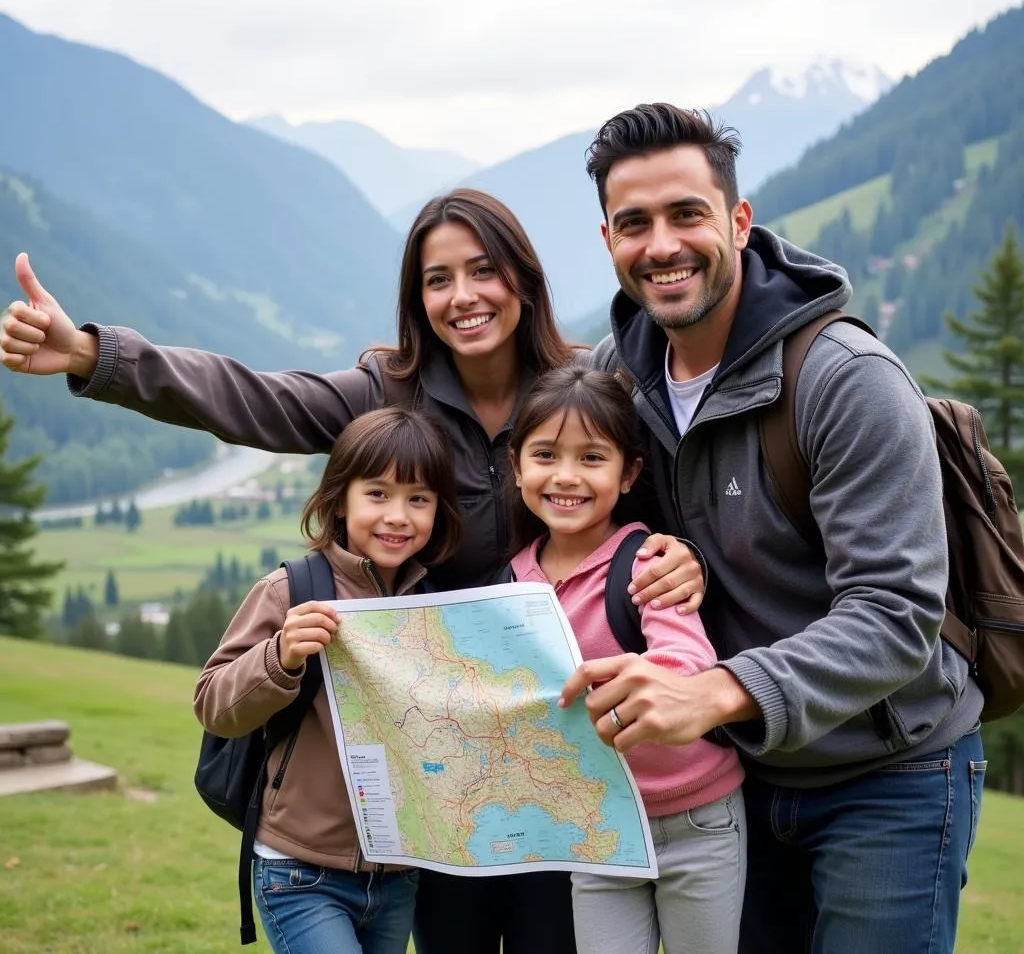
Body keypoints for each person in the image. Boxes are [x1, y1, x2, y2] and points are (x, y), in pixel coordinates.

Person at [0, 188, 704, 954]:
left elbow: (659, 485)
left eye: (483, 271)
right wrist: (95, 356)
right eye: (438, 280)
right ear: (417, 297)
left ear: (524, 280)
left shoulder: (587, 385)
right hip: (444, 768)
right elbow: (253, 399)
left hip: (562, 761)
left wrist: (682, 551)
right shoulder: (386, 390)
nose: (463, 297)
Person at [557, 104, 985, 954]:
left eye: (688, 214)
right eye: (635, 223)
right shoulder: (616, 381)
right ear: (607, 238)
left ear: (739, 221)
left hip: (889, 771)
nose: (663, 244)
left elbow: (896, 613)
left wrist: (714, 693)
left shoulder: (846, 381)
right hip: (739, 776)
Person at [195, 406, 462, 954]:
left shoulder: (432, 604)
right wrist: (280, 656)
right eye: (378, 494)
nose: (398, 515)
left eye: (419, 498)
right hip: (298, 871)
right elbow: (213, 704)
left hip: (397, 876)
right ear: (341, 499)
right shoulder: (290, 590)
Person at [507, 366, 746, 954]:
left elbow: (688, 659)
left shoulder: (646, 565)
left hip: (698, 820)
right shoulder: (510, 585)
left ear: (629, 472)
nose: (566, 476)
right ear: (517, 468)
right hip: (600, 827)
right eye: (544, 454)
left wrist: (646, 683)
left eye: (592, 457)